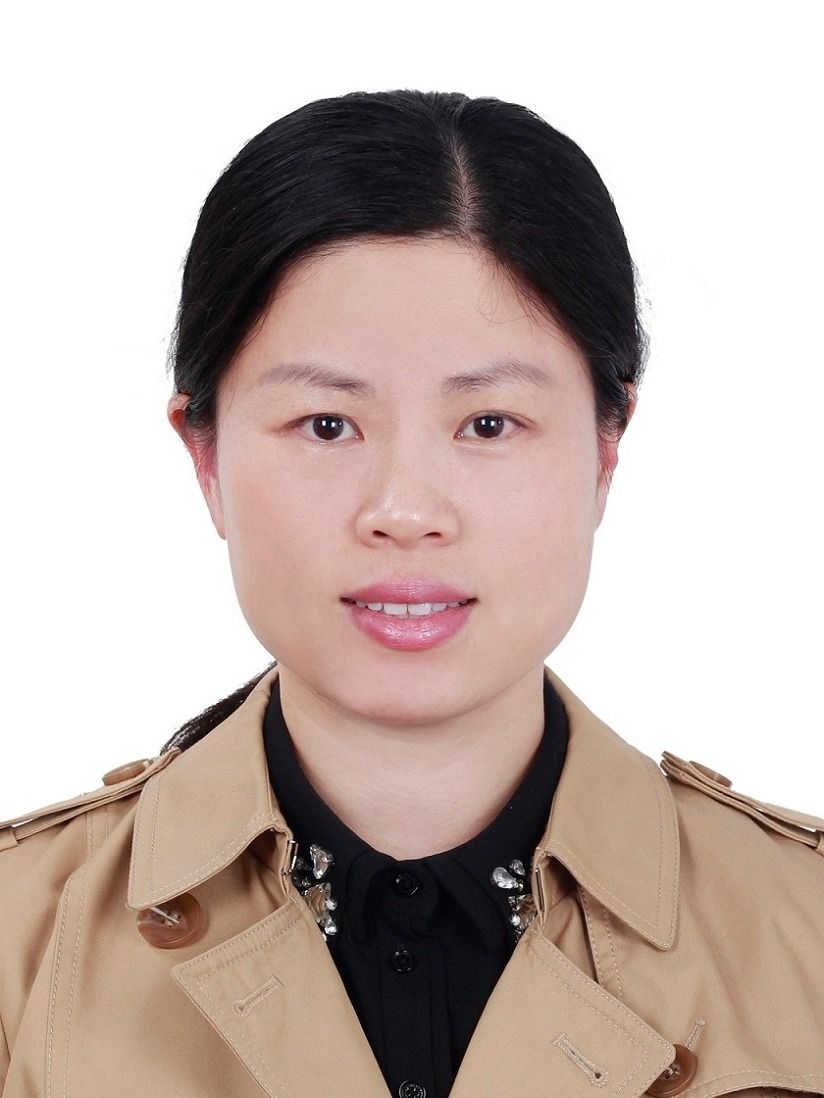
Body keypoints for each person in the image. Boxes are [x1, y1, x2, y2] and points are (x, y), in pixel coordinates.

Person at [1, 89, 822, 1098]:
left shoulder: (806, 934)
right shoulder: (18, 945)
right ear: (205, 457)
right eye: (326, 425)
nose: (404, 511)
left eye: (487, 425)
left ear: (606, 451)